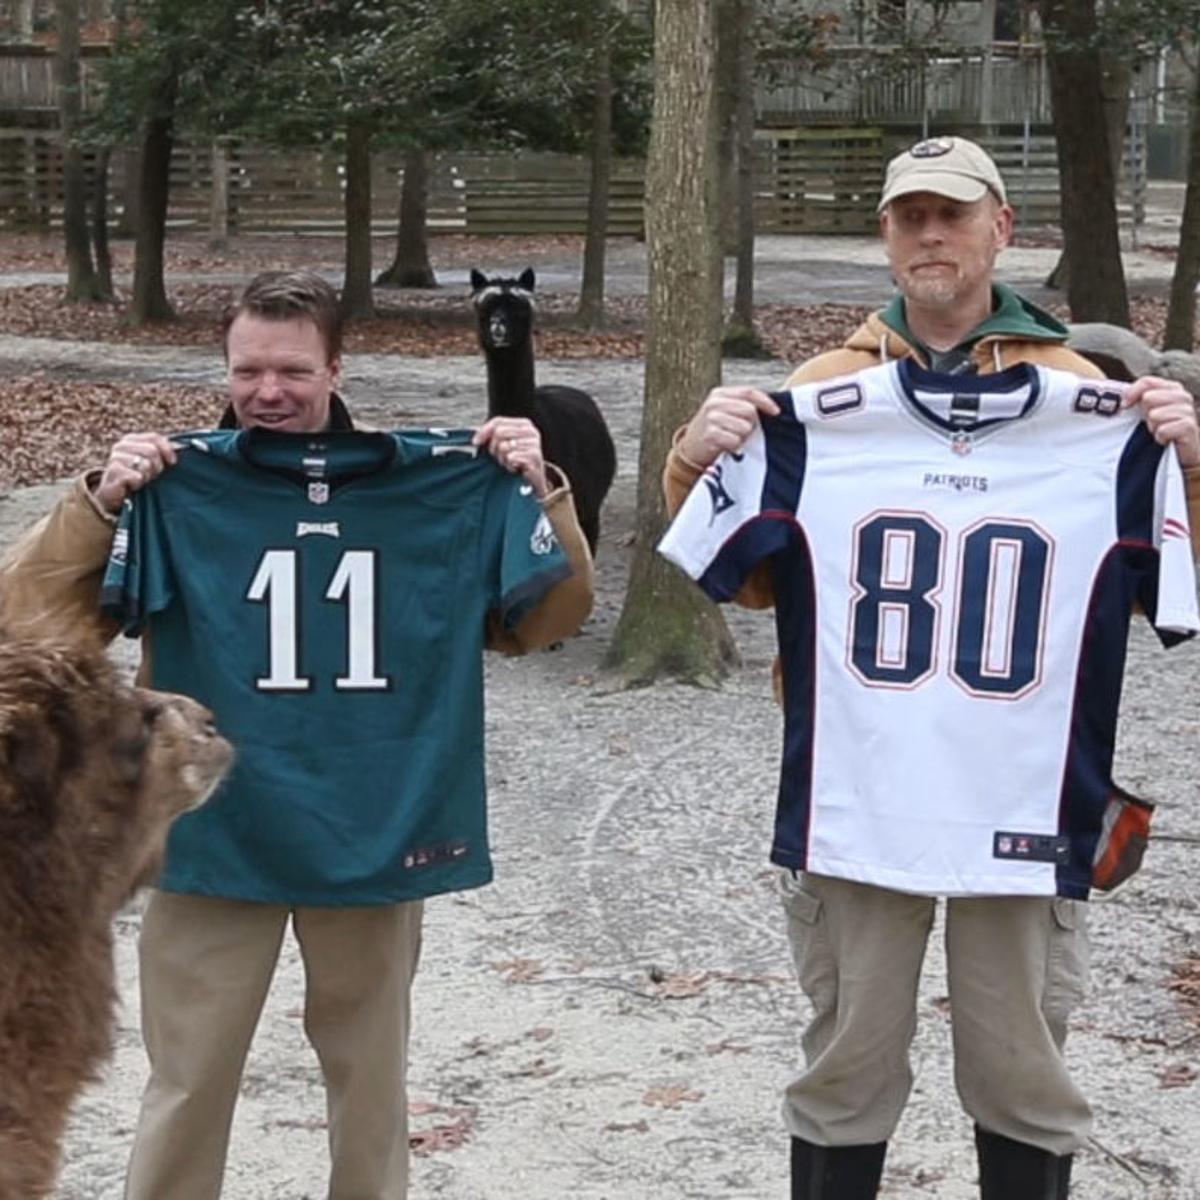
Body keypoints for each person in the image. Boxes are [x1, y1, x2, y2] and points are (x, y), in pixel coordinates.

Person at [661, 137, 1200, 1199]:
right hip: (858, 789)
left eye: (953, 214)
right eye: (911, 217)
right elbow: (745, 581)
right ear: (886, 236)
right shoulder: (820, 398)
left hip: (1026, 790)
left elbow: (1167, 593)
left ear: (1002, 227)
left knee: (1022, 1068)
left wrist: (1187, 463)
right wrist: (696, 452)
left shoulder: (1091, 399)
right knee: (847, 1064)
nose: (931, 235)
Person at [0, 269, 594, 1200]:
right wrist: (100, 502)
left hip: (378, 824)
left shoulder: (436, 486)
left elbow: (548, 621)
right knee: (187, 1083)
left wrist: (537, 488)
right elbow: (28, 620)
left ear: (335, 369)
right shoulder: (174, 487)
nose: (268, 392)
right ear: (225, 369)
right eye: (249, 371)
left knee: (370, 1088)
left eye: (291, 371)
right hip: (211, 831)